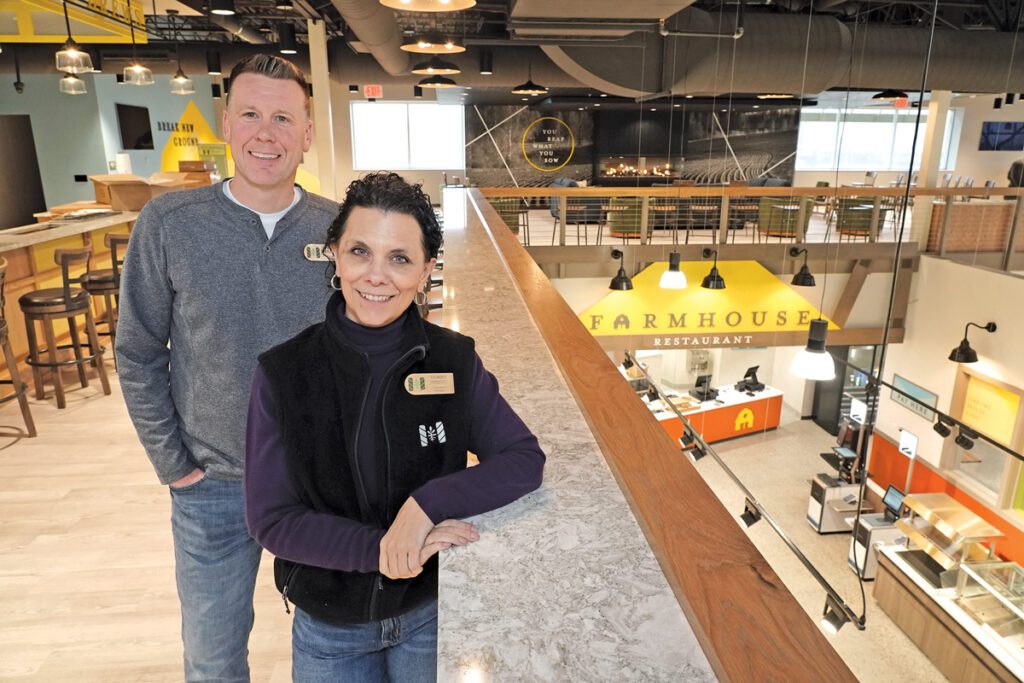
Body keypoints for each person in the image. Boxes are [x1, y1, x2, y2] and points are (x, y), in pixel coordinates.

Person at [245, 172, 545, 682]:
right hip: (331, 627)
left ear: (428, 269)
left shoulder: (453, 359)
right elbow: (272, 519)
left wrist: (425, 506)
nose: (377, 276)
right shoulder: (284, 371)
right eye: (360, 252)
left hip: (429, 612)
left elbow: (522, 460)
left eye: (400, 258)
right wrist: (384, 549)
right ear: (335, 255)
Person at [116, 54, 339, 682]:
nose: (265, 133)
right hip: (209, 484)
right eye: (250, 114)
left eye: (281, 117)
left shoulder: (335, 227)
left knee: (332, 648)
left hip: (316, 482)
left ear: (306, 132)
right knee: (213, 659)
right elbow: (136, 351)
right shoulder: (169, 224)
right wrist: (175, 466)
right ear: (226, 123)